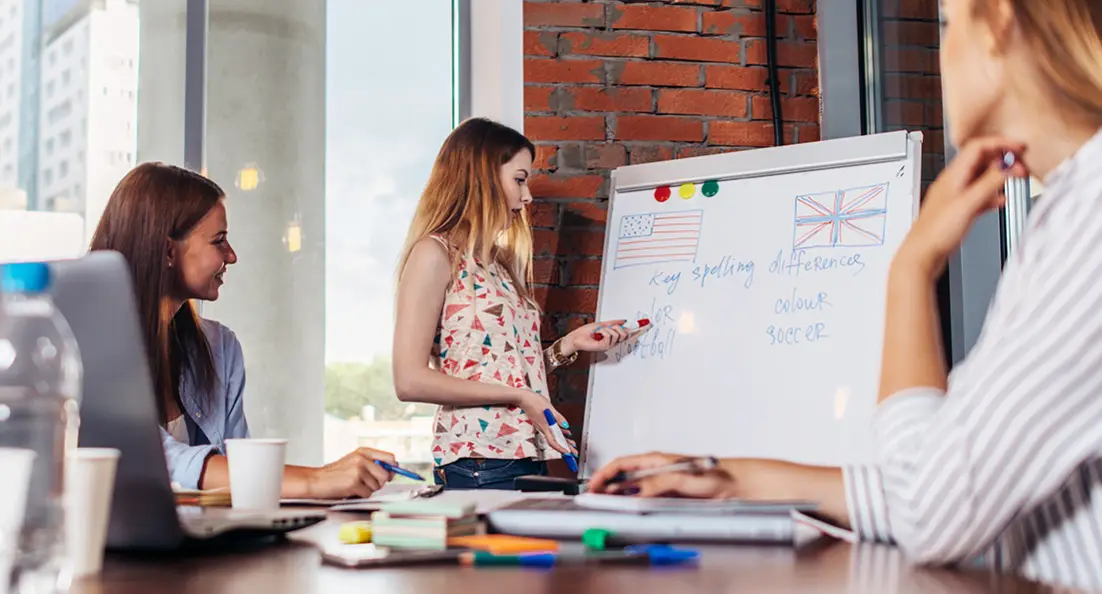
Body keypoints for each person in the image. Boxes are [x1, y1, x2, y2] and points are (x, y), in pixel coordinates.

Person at [588, 0, 1102, 589]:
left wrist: (910, 267)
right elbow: (945, 479)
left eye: (947, 24)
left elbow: (928, 512)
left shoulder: (1089, 222)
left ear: (1000, 23)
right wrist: (729, 477)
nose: (942, 53)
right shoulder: (1071, 212)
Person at [90, 162, 398, 497]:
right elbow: (150, 458)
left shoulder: (220, 347)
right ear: (168, 251)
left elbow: (241, 475)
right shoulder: (89, 346)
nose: (232, 256)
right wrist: (316, 480)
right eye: (218, 241)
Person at [393, 118, 630, 490]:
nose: (528, 195)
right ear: (482, 177)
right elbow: (409, 380)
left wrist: (566, 347)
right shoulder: (434, 254)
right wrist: (520, 396)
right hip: (478, 462)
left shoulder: (500, 264)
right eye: (519, 179)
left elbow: (503, 368)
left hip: (528, 456)